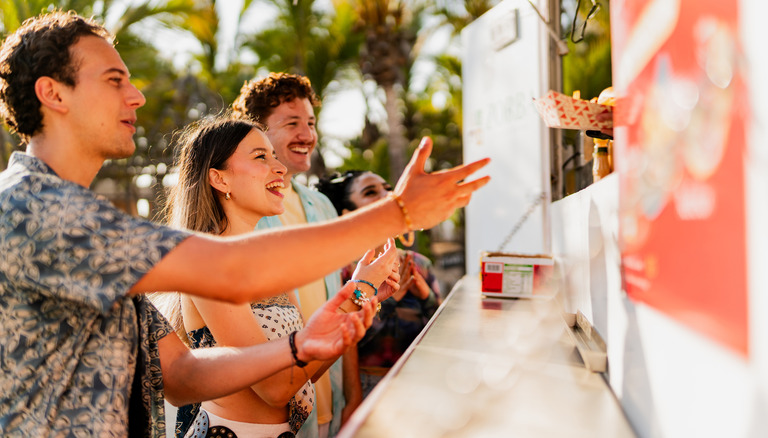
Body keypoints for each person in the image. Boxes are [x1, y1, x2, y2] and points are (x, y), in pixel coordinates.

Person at [0, 11, 490, 437]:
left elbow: (183, 372)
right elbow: (234, 271)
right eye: (114, 80)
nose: (137, 97)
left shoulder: (78, 218)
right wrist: (399, 212)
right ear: (53, 94)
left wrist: (299, 345)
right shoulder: (35, 209)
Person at [151, 116, 398, 437]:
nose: (280, 168)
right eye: (260, 157)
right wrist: (357, 291)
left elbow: (301, 372)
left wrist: (365, 300)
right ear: (219, 179)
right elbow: (276, 389)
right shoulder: (208, 266)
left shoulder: (268, 266)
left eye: (275, 156)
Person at [230, 73, 359, 438]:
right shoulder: (240, 213)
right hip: (273, 414)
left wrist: (352, 396)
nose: (307, 135)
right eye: (292, 123)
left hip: (328, 405)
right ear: (256, 131)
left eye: (311, 123)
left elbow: (342, 303)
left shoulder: (321, 206)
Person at [317, 170, 443, 397]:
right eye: (370, 192)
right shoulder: (344, 271)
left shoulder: (419, 264)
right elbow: (344, 340)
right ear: (348, 214)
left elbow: (442, 328)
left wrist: (426, 296)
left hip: (420, 382)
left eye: (387, 188)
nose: (386, 195)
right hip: (366, 386)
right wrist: (391, 300)